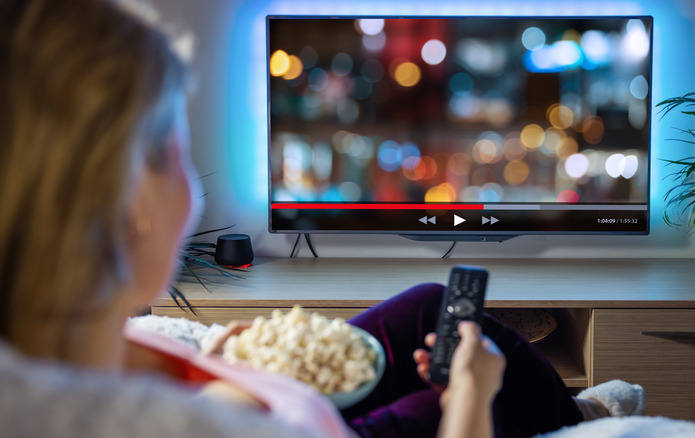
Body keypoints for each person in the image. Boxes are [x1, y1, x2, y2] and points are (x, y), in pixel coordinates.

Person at [0, 0, 641, 437]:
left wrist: (224, 362)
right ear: (130, 208)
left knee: (432, 306)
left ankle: (570, 408)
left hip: (274, 406)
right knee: (453, 384)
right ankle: (577, 417)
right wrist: (472, 397)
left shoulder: (55, 347)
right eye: (177, 149)